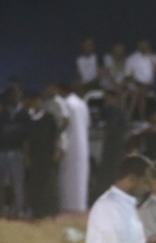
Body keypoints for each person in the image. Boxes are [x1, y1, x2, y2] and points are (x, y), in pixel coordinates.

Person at [21, 90, 59, 218]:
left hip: (47, 155)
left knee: (48, 183)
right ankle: (36, 210)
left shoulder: (49, 118)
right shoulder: (29, 119)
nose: (37, 103)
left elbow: (55, 136)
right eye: (34, 101)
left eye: (39, 101)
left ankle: (49, 210)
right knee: (34, 183)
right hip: (34, 156)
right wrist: (26, 156)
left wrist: (56, 151)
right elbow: (26, 140)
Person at [58, 81, 90, 213]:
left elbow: (65, 124)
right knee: (80, 176)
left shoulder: (66, 104)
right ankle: (79, 204)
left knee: (68, 176)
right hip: (82, 143)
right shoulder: (82, 104)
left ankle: (69, 204)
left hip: (70, 143)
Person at [0, 89, 25, 217]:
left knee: (17, 183)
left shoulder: (24, 114)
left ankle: (18, 209)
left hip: (17, 152)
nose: (11, 99)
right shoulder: (3, 114)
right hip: (2, 151)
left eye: (14, 96)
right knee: (1, 183)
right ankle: (2, 209)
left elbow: (26, 135)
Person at [124, 40, 156, 120]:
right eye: (142, 45)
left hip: (151, 84)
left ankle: (139, 117)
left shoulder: (154, 57)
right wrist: (137, 82)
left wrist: (151, 58)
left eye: (146, 45)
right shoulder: (132, 58)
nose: (144, 47)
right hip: (136, 84)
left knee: (141, 91)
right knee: (138, 92)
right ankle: (133, 117)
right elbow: (128, 75)